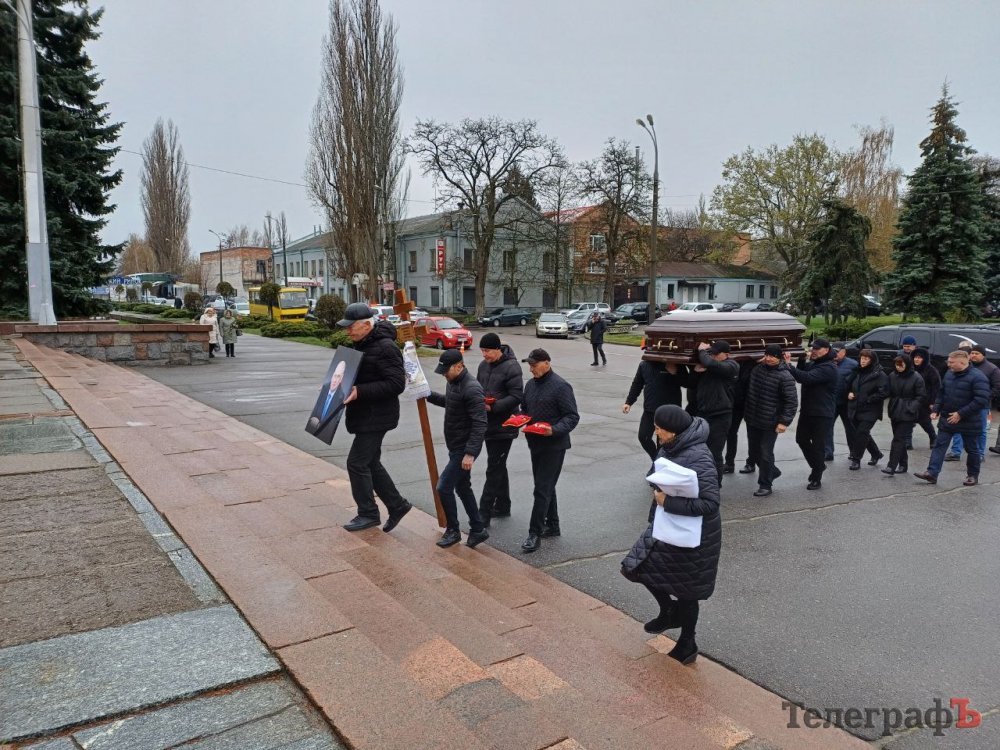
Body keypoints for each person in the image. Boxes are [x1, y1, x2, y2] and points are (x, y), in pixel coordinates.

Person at [619, 405, 721, 665]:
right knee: (635, 567)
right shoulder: (670, 446)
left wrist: (668, 502)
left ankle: (687, 643)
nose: (656, 433)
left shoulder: (699, 457)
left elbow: (710, 503)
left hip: (694, 535)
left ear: (674, 430)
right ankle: (668, 611)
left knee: (687, 591)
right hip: (665, 524)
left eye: (659, 429)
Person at [337, 303, 412, 533]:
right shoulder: (363, 344)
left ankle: (368, 513)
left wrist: (360, 391)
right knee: (370, 462)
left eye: (351, 326)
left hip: (377, 416)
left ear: (367, 325)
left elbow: (396, 384)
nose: (348, 330)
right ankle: (397, 505)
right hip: (364, 413)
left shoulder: (386, 347)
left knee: (356, 462)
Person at [519, 348, 580, 553]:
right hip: (535, 442)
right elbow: (525, 409)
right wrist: (519, 419)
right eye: (530, 365)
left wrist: (553, 430)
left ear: (547, 363)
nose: (531, 369)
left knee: (541, 489)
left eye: (534, 365)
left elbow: (572, 416)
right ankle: (553, 525)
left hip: (554, 445)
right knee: (545, 486)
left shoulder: (561, 386)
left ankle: (534, 533)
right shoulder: (530, 385)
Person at [428, 349, 490, 548]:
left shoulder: (472, 388)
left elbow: (480, 423)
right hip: (455, 445)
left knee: (443, 487)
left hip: (463, 449)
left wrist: (470, 453)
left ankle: (453, 530)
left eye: (446, 371)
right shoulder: (453, 382)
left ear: (459, 366)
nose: (444, 375)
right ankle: (478, 529)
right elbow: (451, 404)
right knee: (463, 487)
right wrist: (428, 394)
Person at [914, 349, 991, 486]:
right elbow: (941, 393)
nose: (948, 364)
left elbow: (981, 400)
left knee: (972, 449)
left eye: (951, 362)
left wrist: (960, 414)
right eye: (948, 362)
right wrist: (936, 409)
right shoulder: (949, 374)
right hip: (948, 418)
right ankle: (931, 473)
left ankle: (972, 476)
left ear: (962, 362)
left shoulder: (978, 377)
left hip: (969, 420)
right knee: (939, 445)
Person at [475, 332, 523, 525]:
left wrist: (494, 407)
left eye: (487, 351)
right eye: (482, 351)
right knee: (497, 464)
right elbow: (478, 389)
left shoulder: (512, 366)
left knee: (493, 467)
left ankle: (483, 514)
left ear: (497, 349)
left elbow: (517, 396)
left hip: (505, 425)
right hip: (487, 423)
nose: (484, 354)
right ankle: (503, 506)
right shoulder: (483, 366)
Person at [743, 344, 797, 496]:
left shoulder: (785, 376)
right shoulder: (757, 369)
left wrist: (784, 422)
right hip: (753, 418)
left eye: (772, 356)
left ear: (779, 357)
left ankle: (765, 485)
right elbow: (744, 380)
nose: (768, 358)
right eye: (766, 355)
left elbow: (791, 402)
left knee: (765, 453)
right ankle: (772, 471)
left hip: (771, 421)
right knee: (754, 452)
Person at [786, 339, 839, 490]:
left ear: (826, 350)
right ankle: (819, 465)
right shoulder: (816, 363)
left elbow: (806, 378)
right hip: (808, 410)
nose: (813, 351)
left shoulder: (829, 367)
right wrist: (802, 358)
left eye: (817, 349)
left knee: (818, 445)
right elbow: (803, 371)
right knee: (801, 439)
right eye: (812, 348)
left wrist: (789, 365)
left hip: (822, 413)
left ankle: (816, 477)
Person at [694, 340, 739, 483]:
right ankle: (703, 480)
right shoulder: (710, 366)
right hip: (703, 413)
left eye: (715, 354)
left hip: (721, 416)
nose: (712, 355)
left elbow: (711, 363)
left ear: (726, 354)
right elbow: (690, 383)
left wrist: (702, 351)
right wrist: (695, 371)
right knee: (701, 450)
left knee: (715, 452)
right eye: (711, 353)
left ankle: (716, 484)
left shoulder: (732, 365)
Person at [623, 360, 686, 459]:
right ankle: (657, 459)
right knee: (643, 436)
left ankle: (662, 462)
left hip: (668, 412)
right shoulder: (644, 364)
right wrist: (629, 402)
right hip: (650, 409)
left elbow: (688, 383)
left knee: (663, 441)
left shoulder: (674, 363)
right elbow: (637, 383)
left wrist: (675, 372)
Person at [882, 354, 926, 476]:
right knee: (899, 438)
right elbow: (887, 391)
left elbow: (921, 396)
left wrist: (911, 408)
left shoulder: (916, 377)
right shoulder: (892, 375)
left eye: (901, 365)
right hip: (895, 409)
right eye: (897, 365)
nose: (899, 367)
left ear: (907, 364)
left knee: (898, 439)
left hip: (908, 412)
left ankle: (891, 466)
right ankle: (903, 464)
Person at [845, 348, 888, 470]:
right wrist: (849, 393)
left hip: (871, 410)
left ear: (872, 360)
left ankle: (856, 459)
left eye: (866, 359)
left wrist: (868, 399)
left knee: (861, 432)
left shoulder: (879, 374)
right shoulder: (857, 371)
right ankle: (876, 453)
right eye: (862, 358)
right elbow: (848, 384)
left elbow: (884, 392)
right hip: (855, 408)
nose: (863, 361)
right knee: (862, 433)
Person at [826, 342, 859, 461]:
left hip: (847, 403)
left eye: (837, 351)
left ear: (844, 352)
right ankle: (828, 452)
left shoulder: (853, 365)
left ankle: (854, 452)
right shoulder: (827, 363)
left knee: (851, 429)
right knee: (827, 427)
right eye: (833, 351)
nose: (835, 354)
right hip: (831, 402)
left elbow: (858, 382)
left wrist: (853, 393)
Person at [723, 359, 756, 473]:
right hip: (736, 402)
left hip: (751, 402)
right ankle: (729, 463)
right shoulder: (733, 361)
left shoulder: (755, 362)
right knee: (731, 432)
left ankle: (751, 463)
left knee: (752, 434)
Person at [944, 340, 974, 461]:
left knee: (975, 434)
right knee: (956, 430)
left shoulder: (979, 371)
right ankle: (956, 452)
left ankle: (977, 454)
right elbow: (944, 389)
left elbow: (983, 394)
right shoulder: (951, 371)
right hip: (956, 406)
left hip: (971, 409)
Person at [969, 344, 1000, 459]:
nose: (973, 355)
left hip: (982, 405)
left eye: (976, 353)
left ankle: (980, 454)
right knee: (963, 429)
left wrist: (985, 397)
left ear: (983, 355)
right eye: (972, 353)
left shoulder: (992, 369)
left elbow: (997, 387)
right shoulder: (967, 366)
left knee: (981, 430)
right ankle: (960, 451)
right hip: (966, 403)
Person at [306, 360, 347, 443]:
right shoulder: (324, 388)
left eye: (338, 377)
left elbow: (332, 423)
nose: (335, 380)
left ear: (341, 379)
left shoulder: (340, 397)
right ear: (332, 375)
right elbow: (313, 418)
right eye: (335, 376)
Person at [910, 348, 940, 450]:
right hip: (911, 399)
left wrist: (933, 402)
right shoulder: (910, 368)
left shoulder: (931, 370)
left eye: (919, 358)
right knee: (908, 421)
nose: (916, 359)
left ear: (924, 359)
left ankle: (933, 437)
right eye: (915, 357)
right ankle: (907, 441)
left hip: (925, 401)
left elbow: (936, 387)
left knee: (925, 422)